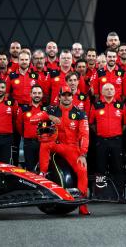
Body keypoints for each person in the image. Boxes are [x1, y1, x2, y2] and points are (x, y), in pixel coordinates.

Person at [30, 85, 90, 215]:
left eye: (69, 95)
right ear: (59, 97)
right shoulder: (52, 109)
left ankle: (82, 204)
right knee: (45, 144)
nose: (66, 97)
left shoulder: (80, 113)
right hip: (56, 144)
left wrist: (83, 153)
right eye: (64, 95)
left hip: (72, 147)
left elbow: (84, 134)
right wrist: (49, 117)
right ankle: (43, 174)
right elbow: (32, 119)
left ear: (72, 97)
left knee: (82, 170)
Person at [89, 83, 126, 202]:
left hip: (116, 141)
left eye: (111, 89)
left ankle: (119, 195)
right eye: (107, 89)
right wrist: (101, 132)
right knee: (100, 167)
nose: (109, 91)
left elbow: (125, 123)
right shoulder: (96, 105)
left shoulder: (120, 105)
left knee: (118, 168)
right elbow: (91, 123)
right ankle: (100, 195)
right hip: (102, 141)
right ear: (102, 92)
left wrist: (117, 132)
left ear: (115, 91)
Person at [16, 85, 46, 171]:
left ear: (42, 95)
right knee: (30, 168)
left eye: (39, 93)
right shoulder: (23, 109)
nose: (37, 95)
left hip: (43, 144)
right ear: (30, 94)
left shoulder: (46, 108)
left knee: (43, 169)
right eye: (35, 93)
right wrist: (26, 134)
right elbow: (19, 125)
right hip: (28, 143)